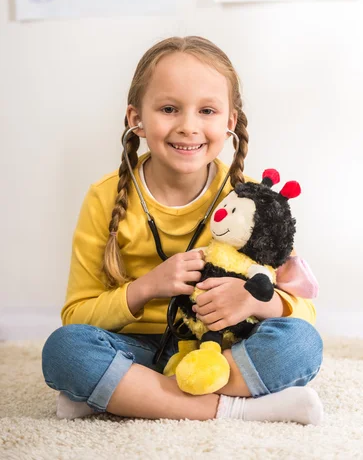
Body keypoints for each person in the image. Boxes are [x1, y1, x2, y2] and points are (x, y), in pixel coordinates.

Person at [42, 36, 323, 424]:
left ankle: (127, 396)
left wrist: (254, 302)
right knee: (66, 351)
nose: (188, 127)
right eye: (169, 108)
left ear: (230, 122)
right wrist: (146, 288)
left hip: (223, 351)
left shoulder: (253, 200)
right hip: (139, 350)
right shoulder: (104, 196)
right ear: (135, 118)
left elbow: (303, 308)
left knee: (301, 343)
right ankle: (238, 410)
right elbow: (76, 316)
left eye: (206, 110)